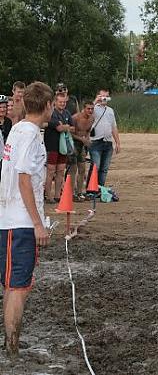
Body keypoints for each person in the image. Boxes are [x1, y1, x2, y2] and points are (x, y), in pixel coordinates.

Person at [0, 81, 53, 357]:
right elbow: (23, 179)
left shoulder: (19, 128)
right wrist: (37, 223)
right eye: (52, 104)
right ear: (47, 106)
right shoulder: (29, 134)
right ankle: (11, 349)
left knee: (14, 285)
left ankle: (11, 344)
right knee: (18, 287)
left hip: (11, 220)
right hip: (19, 223)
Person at [43, 93, 75, 203]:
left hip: (63, 147)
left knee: (61, 170)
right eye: (60, 102)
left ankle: (57, 195)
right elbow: (59, 128)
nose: (63, 104)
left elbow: (73, 128)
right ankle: (48, 196)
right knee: (50, 171)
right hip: (52, 146)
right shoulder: (51, 113)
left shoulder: (67, 113)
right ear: (55, 102)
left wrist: (64, 127)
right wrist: (65, 127)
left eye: (64, 102)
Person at [89, 89, 121, 187]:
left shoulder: (110, 111)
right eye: (102, 96)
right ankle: (91, 188)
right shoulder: (93, 108)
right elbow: (87, 113)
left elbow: (113, 127)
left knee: (104, 168)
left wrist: (118, 142)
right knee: (96, 166)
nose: (104, 98)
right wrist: (95, 101)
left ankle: (100, 188)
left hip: (107, 142)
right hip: (96, 142)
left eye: (106, 96)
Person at [70, 101, 95, 201]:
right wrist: (82, 139)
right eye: (88, 108)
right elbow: (70, 133)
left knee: (82, 169)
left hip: (83, 145)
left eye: (92, 109)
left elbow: (88, 131)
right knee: (73, 169)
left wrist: (87, 139)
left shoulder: (92, 119)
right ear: (84, 108)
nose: (90, 111)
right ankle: (71, 193)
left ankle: (79, 192)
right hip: (73, 144)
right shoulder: (75, 118)